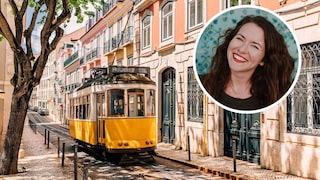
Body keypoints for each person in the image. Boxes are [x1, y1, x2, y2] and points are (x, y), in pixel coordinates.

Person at [200, 15, 295, 110]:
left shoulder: (274, 97)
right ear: (230, 41)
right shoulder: (203, 84)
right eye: (240, 39)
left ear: (264, 60)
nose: (242, 49)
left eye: (254, 46)